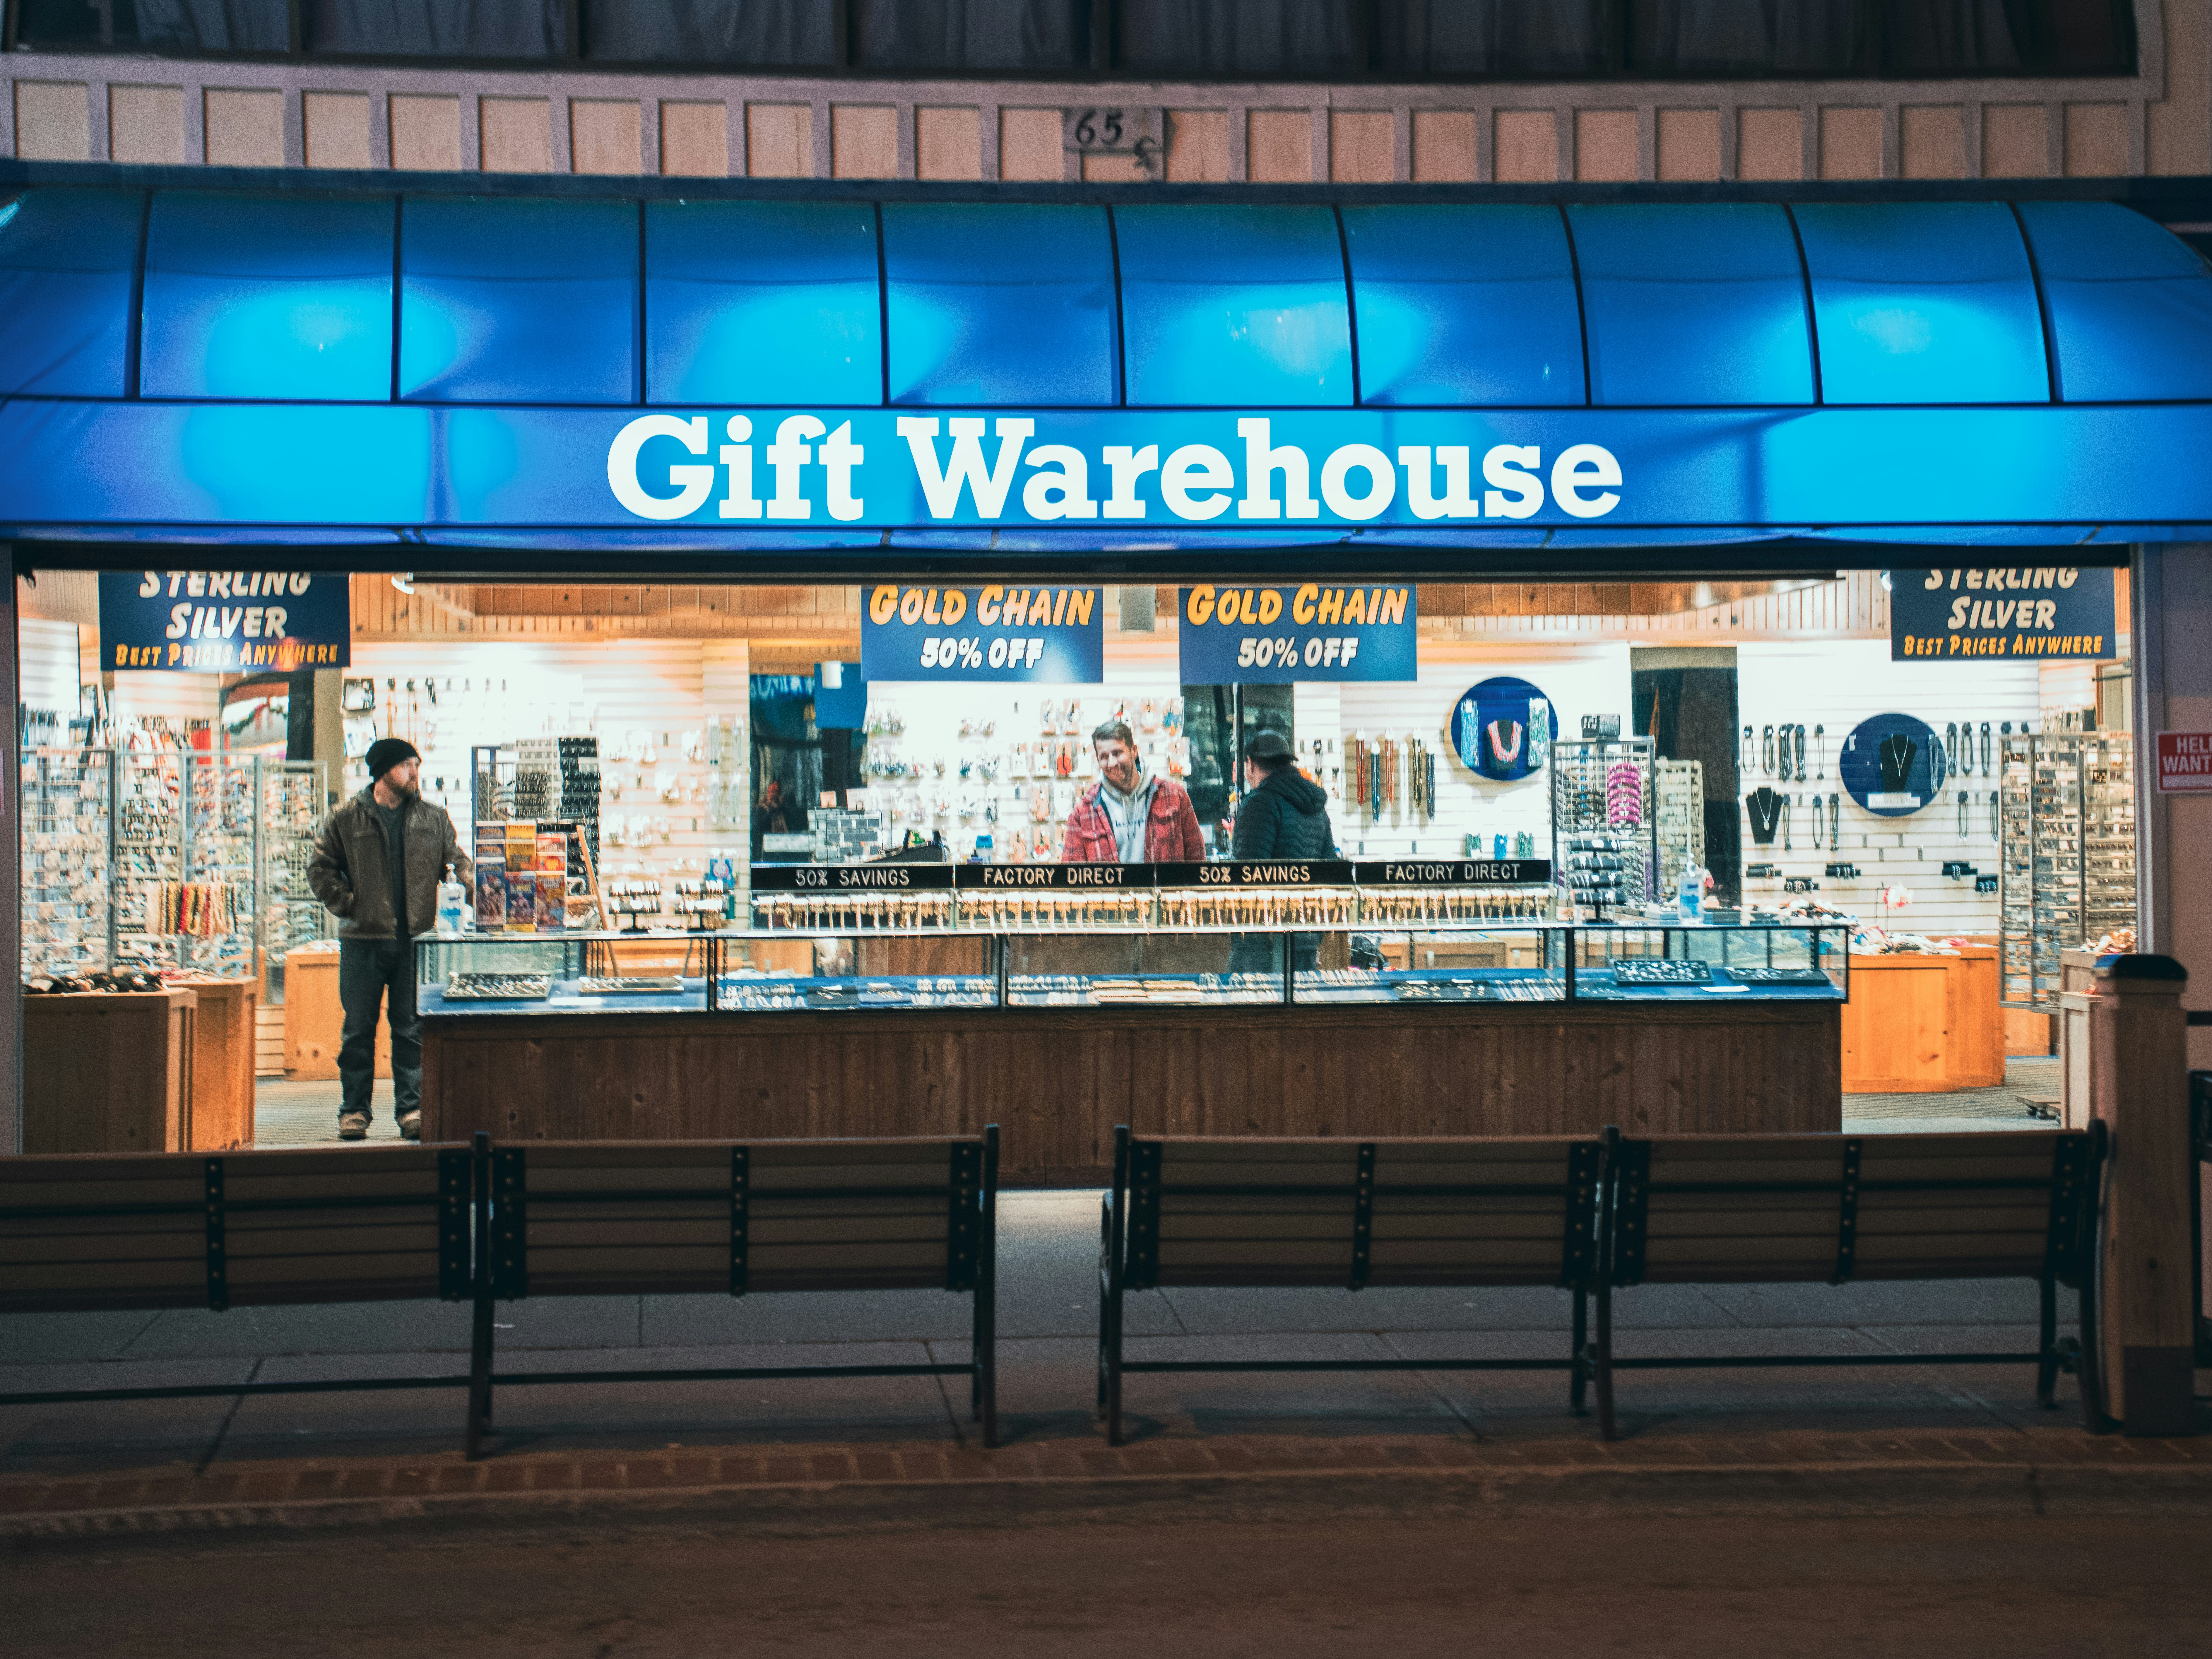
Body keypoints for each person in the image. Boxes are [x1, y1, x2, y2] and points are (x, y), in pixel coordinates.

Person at [306, 738, 469, 1143]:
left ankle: (411, 1109)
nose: (415, 772)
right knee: (358, 1030)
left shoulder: (433, 818)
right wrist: (349, 904)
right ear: (382, 771)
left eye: (416, 764)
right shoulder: (345, 817)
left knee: (411, 1030)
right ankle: (354, 1112)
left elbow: (459, 862)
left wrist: (484, 889)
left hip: (415, 941)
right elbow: (320, 868)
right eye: (406, 766)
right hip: (363, 941)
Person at [1227, 730, 1338, 974]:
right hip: (1306, 942)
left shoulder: (1258, 804)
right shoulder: (1317, 809)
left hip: (1261, 947)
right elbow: (1332, 874)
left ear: (1250, 764)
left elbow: (1246, 879)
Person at [1061, 719, 1204, 864]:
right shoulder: (1084, 812)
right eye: (1104, 757)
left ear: (1134, 751)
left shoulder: (1175, 797)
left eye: (1117, 753)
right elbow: (1072, 878)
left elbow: (1197, 861)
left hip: (1163, 887)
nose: (1112, 763)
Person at [752, 778, 805, 858]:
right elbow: (760, 825)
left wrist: (782, 806)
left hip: (786, 848)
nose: (774, 797)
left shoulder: (783, 809)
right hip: (767, 849)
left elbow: (794, 822)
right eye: (772, 794)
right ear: (768, 795)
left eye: (776, 794)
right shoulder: (762, 808)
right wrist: (772, 809)